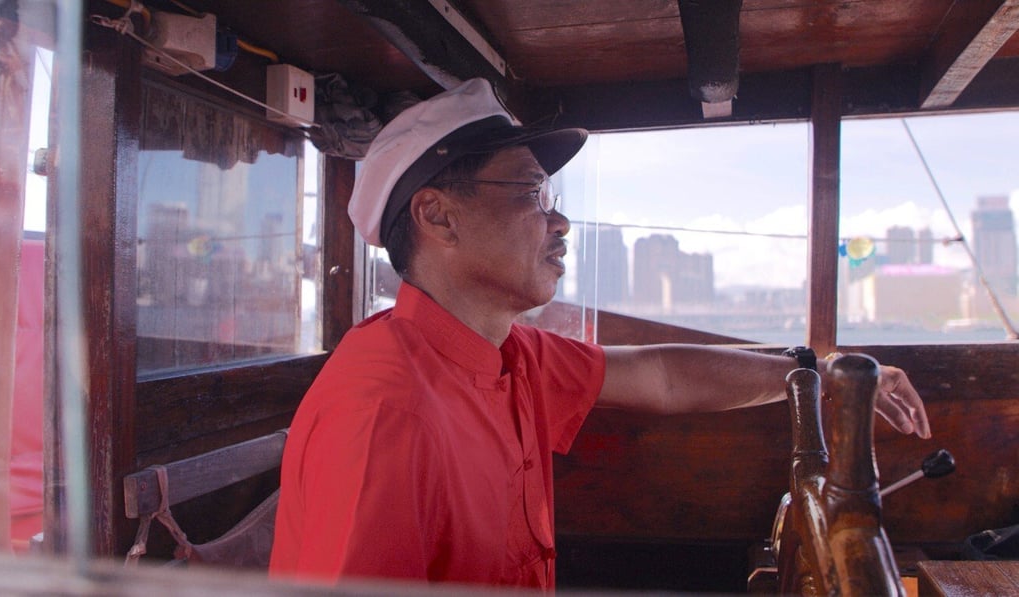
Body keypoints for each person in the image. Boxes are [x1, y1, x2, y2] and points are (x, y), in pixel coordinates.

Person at [269, 78, 931, 589]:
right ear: (438, 216)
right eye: (532, 194)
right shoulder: (383, 408)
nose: (559, 224)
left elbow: (663, 375)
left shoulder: (508, 352)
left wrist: (817, 372)